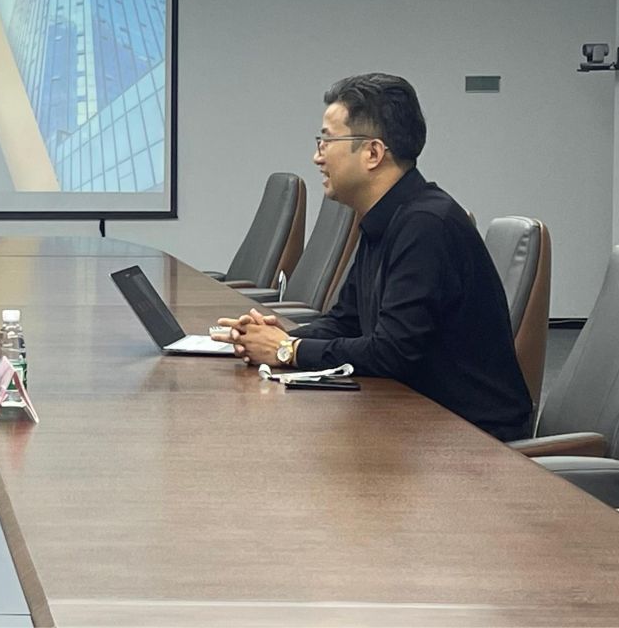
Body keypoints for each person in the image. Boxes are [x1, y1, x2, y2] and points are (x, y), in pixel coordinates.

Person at [219, 73, 533, 441]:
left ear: (372, 153)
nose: (317, 156)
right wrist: (270, 338)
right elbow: (346, 321)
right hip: (418, 423)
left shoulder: (427, 225)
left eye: (326, 141)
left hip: (472, 442)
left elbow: (391, 352)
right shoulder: (386, 219)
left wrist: (289, 350)